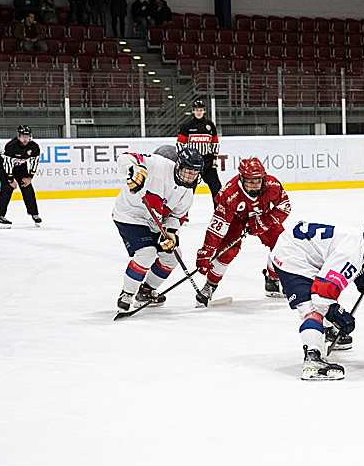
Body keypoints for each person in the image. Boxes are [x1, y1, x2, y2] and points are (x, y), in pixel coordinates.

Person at [269, 218, 364, 380]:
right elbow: (322, 294)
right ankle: (313, 359)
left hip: (298, 246)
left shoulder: (357, 241)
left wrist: (362, 272)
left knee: (330, 291)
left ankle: (327, 329)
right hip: (293, 257)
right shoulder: (351, 253)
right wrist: (338, 315)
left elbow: (334, 259)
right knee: (312, 308)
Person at [112, 148, 203, 311]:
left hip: (154, 221)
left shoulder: (187, 193)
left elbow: (176, 217)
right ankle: (126, 293)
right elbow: (124, 158)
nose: (190, 177)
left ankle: (145, 292)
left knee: (173, 256)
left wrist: (171, 234)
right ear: (178, 165)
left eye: (194, 173)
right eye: (187, 171)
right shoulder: (158, 164)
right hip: (130, 215)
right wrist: (134, 169)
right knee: (147, 253)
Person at [195, 158, 293, 308]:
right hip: (236, 220)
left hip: (263, 216)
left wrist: (263, 222)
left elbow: (284, 207)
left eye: (258, 181)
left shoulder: (272, 185)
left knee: (282, 243)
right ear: (241, 179)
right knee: (227, 252)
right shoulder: (229, 193)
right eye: (250, 182)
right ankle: (210, 286)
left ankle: (273, 281)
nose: (254, 186)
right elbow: (218, 225)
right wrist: (207, 250)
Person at [0, 125, 42, 229]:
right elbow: (7, 164)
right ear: (19, 136)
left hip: (20, 166)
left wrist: (30, 177)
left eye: (27, 136)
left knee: (27, 186)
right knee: (7, 188)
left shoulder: (34, 147)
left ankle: (34, 213)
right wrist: (10, 180)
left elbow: (34, 162)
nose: (25, 139)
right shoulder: (11, 146)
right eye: (23, 136)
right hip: (4, 165)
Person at [175, 99, 222, 197]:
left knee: (216, 186)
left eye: (201, 110)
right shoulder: (187, 126)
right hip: (192, 162)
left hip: (207, 160)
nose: (199, 112)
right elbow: (180, 144)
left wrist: (214, 157)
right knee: (188, 189)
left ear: (204, 111)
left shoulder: (210, 125)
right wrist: (183, 159)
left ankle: (219, 210)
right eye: (197, 110)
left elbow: (215, 142)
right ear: (193, 111)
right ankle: (183, 211)